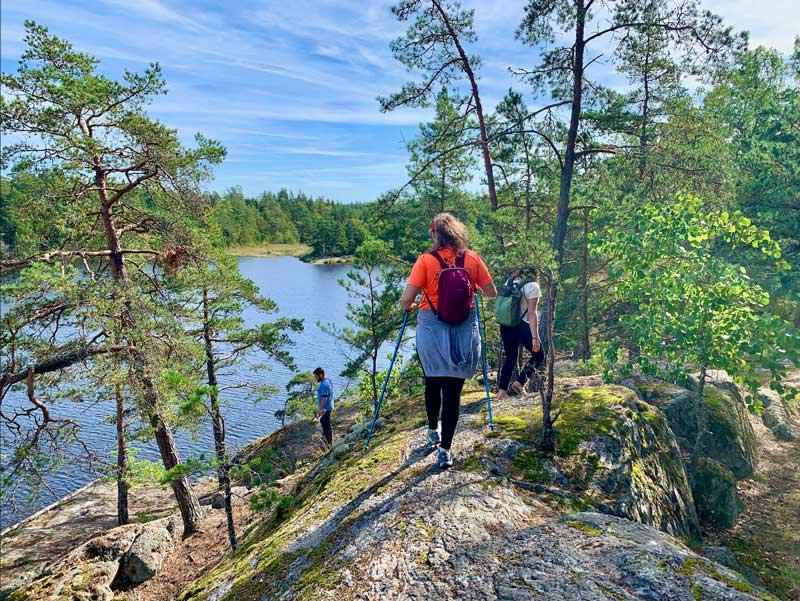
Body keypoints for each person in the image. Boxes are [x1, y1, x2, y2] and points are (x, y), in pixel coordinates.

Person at [400, 213, 496, 469]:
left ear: (435, 235)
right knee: (453, 392)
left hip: (432, 328)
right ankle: (446, 450)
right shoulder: (472, 258)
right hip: (464, 328)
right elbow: (491, 292)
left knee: (432, 382)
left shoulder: (425, 261)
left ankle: (433, 429)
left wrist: (410, 306)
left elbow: (406, 299)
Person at [496, 268, 544, 400]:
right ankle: (519, 382)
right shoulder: (533, 287)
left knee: (511, 358)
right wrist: (535, 337)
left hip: (505, 324)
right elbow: (531, 313)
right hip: (521, 325)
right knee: (539, 355)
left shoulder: (509, 282)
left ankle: (501, 392)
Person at [313, 367, 333, 446]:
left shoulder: (324, 384)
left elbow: (324, 399)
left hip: (325, 408)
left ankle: (328, 443)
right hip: (327, 407)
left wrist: (320, 409)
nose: (315, 378)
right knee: (326, 423)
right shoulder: (328, 381)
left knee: (325, 424)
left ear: (320, 375)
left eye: (316, 376)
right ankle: (329, 441)